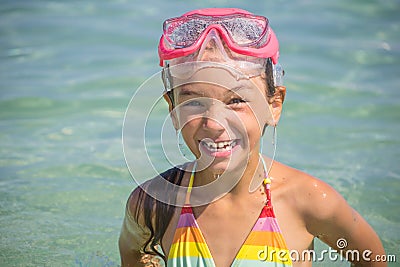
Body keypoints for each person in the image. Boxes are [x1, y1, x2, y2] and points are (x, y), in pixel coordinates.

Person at [119, 8, 386, 267]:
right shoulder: (152, 204)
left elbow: (373, 260)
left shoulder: (309, 202)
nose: (213, 123)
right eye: (194, 102)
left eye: (236, 100)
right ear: (173, 109)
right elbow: (135, 258)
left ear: (274, 105)